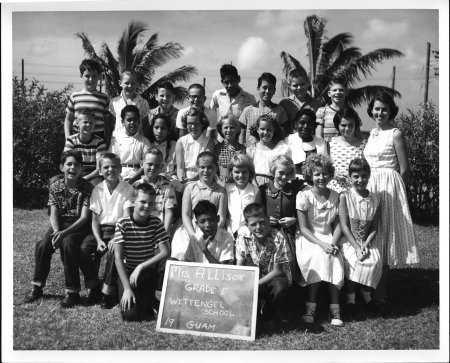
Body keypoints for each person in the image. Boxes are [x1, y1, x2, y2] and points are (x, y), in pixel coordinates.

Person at [363, 92, 420, 307]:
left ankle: (381, 290)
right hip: (371, 185)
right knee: (371, 235)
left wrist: (394, 191)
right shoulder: (374, 133)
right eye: (376, 109)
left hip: (389, 187)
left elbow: (404, 169)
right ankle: (366, 285)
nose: (380, 113)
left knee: (384, 237)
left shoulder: (396, 133)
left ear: (391, 111)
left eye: (384, 109)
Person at [25, 150, 100, 308]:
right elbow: (53, 214)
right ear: (62, 167)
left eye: (77, 165)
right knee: (43, 244)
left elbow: (84, 218)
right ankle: (37, 287)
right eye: (69, 164)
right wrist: (57, 232)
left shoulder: (87, 188)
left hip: (78, 226)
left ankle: (72, 292)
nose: (73, 168)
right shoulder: (55, 186)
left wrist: (63, 234)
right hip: (59, 224)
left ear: (81, 169)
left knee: (67, 244)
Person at [80, 153, 134, 309]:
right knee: (83, 249)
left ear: (120, 168)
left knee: (113, 252)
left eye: (114, 166)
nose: (110, 170)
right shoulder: (97, 189)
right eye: (106, 167)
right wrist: (98, 240)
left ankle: (108, 293)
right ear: (100, 171)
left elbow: (126, 218)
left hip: (120, 229)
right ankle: (94, 286)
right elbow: (95, 220)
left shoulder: (128, 189)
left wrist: (116, 237)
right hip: (100, 230)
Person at [295, 154, 344, 326]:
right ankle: (311, 306)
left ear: (330, 175)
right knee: (317, 256)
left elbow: (339, 225)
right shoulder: (304, 195)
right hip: (309, 238)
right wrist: (322, 244)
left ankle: (335, 308)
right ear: (310, 175)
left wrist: (333, 243)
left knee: (334, 257)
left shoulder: (336, 196)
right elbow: (303, 228)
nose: (321, 177)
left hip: (330, 237)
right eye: (316, 174)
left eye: (324, 173)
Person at [114, 183, 170, 321]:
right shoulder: (123, 223)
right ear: (133, 201)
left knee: (171, 263)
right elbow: (118, 258)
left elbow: (165, 252)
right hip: (128, 273)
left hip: (147, 272)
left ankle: (154, 298)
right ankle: (129, 293)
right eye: (143, 202)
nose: (146, 206)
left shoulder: (156, 222)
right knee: (130, 316)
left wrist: (141, 266)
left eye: (150, 203)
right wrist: (127, 288)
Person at [339, 158, 383, 315]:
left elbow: (374, 227)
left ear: (369, 176)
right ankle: (350, 298)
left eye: (364, 176)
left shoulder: (376, 199)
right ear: (349, 177)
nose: (360, 180)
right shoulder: (345, 196)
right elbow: (344, 225)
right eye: (356, 176)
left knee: (374, 260)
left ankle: (365, 293)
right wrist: (357, 248)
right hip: (349, 241)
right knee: (354, 260)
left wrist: (365, 245)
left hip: (366, 241)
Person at [236, 203, 291, 326]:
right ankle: (253, 311)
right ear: (247, 225)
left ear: (268, 220)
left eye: (262, 222)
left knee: (280, 286)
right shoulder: (242, 235)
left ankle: (269, 311)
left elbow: (278, 270)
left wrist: (256, 284)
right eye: (253, 224)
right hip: (252, 277)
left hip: (272, 278)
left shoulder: (278, 237)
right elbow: (240, 265)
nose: (259, 227)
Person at [255, 154, 305, 285]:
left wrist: (293, 220)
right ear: (273, 171)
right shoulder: (263, 189)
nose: (284, 177)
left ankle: (291, 287)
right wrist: (265, 219)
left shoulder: (295, 190)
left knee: (291, 260)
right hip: (268, 233)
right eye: (281, 173)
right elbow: (256, 213)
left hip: (288, 233)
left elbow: (301, 214)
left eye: (288, 174)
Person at [171, 151, 227, 261]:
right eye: (202, 167)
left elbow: (222, 217)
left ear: (216, 168)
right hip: (190, 229)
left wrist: (212, 234)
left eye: (210, 167)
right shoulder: (190, 188)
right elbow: (186, 215)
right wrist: (194, 236)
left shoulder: (221, 191)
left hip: (212, 229)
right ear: (197, 168)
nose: (206, 171)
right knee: (181, 253)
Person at [64, 59, 112, 147]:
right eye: (87, 76)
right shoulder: (74, 97)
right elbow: (68, 120)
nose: (91, 79)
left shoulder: (104, 98)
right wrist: (68, 139)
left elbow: (108, 124)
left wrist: (107, 143)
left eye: (94, 76)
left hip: (98, 141)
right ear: (81, 76)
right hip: (77, 139)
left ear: (99, 77)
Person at [132, 148, 177, 233]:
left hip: (159, 230)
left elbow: (169, 213)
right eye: (149, 164)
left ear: (162, 166)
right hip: (139, 230)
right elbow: (132, 211)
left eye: (157, 165)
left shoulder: (168, 186)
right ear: (142, 164)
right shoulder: (135, 186)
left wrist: (164, 235)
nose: (153, 168)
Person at [239, 72, 288, 146]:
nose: (267, 91)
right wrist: (241, 149)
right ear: (258, 89)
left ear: (274, 90)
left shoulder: (279, 110)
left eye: (270, 88)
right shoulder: (248, 110)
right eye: (264, 88)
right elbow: (242, 132)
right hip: (252, 152)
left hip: (272, 151)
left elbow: (283, 133)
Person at [210, 64, 256, 139]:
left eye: (232, 81)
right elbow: (211, 114)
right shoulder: (217, 95)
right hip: (221, 141)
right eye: (226, 82)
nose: (230, 85)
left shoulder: (250, 99)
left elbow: (253, 123)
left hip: (241, 142)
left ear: (238, 79)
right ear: (222, 82)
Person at [328, 107, 367, 193]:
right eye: (343, 125)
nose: (347, 129)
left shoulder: (364, 144)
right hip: (334, 190)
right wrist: (333, 172)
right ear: (337, 126)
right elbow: (326, 166)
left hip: (356, 191)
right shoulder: (330, 143)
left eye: (350, 125)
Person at [63, 108, 107, 184]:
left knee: (96, 184)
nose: (88, 125)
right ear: (77, 123)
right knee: (55, 180)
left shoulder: (99, 142)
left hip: (93, 175)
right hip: (75, 171)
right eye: (85, 122)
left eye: (91, 122)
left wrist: (83, 179)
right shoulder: (71, 140)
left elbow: (99, 169)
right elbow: (67, 163)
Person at [108, 105, 151, 183]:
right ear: (122, 122)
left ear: (139, 121)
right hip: (118, 175)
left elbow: (145, 165)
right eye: (129, 120)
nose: (132, 123)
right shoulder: (116, 139)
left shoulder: (144, 141)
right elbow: (111, 160)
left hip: (137, 177)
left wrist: (132, 180)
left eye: (135, 120)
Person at [246, 114, 291, 187]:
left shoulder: (281, 149)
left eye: (269, 130)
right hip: (254, 185)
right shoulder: (252, 150)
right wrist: (256, 188)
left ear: (274, 130)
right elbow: (249, 172)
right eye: (262, 129)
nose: (265, 132)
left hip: (275, 184)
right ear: (257, 129)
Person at [284, 108, 328, 180]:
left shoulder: (321, 143)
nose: (305, 126)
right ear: (296, 124)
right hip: (294, 182)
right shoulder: (288, 141)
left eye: (309, 123)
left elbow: (325, 167)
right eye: (302, 123)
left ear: (314, 126)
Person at [175, 108, 215, 183]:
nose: (193, 127)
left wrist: (192, 180)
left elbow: (206, 167)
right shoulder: (181, 142)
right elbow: (180, 168)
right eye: (190, 123)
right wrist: (182, 179)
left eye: (196, 123)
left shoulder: (209, 142)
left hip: (202, 178)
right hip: (185, 179)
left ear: (202, 123)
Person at [279, 68, 322, 135]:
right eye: (295, 85)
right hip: (290, 142)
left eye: (302, 84)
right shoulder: (284, 104)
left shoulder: (317, 105)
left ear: (308, 83)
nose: (299, 88)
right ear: (290, 86)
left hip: (311, 142)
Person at [109, 70, 151, 137]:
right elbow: (111, 125)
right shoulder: (114, 102)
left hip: (137, 143)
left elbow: (146, 126)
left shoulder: (143, 103)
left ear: (137, 83)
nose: (130, 86)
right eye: (127, 83)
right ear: (120, 83)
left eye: (133, 83)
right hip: (118, 143)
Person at [226, 154, 258, 238]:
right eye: (237, 172)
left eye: (244, 172)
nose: (241, 175)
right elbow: (225, 215)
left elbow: (257, 216)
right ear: (231, 173)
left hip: (249, 235)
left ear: (250, 172)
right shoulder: (227, 190)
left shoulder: (255, 191)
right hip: (230, 233)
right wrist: (229, 231)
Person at [315, 76, 349, 141]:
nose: (338, 92)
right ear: (329, 93)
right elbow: (318, 135)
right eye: (334, 90)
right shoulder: (322, 111)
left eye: (341, 90)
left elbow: (357, 135)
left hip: (345, 149)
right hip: (327, 149)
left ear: (346, 92)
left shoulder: (350, 112)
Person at [214, 115, 246, 182]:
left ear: (237, 129)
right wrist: (220, 183)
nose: (229, 130)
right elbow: (214, 170)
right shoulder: (217, 148)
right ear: (221, 129)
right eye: (226, 127)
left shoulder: (242, 149)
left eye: (232, 127)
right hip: (221, 185)